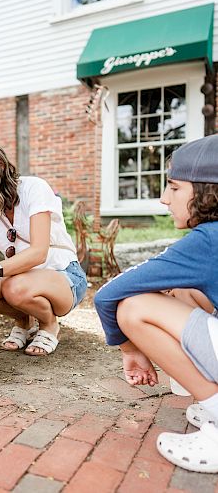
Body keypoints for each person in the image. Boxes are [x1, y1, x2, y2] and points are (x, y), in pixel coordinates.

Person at [94, 134, 218, 473]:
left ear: (207, 190)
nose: (165, 199)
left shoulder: (208, 241)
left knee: (134, 308)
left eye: (175, 187)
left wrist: (129, 349)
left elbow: (108, 294)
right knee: (181, 290)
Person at [0, 139, 87, 356]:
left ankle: (49, 324)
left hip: (65, 276)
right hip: (21, 279)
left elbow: (38, 252)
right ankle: (24, 321)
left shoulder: (33, 188)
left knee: (13, 287)